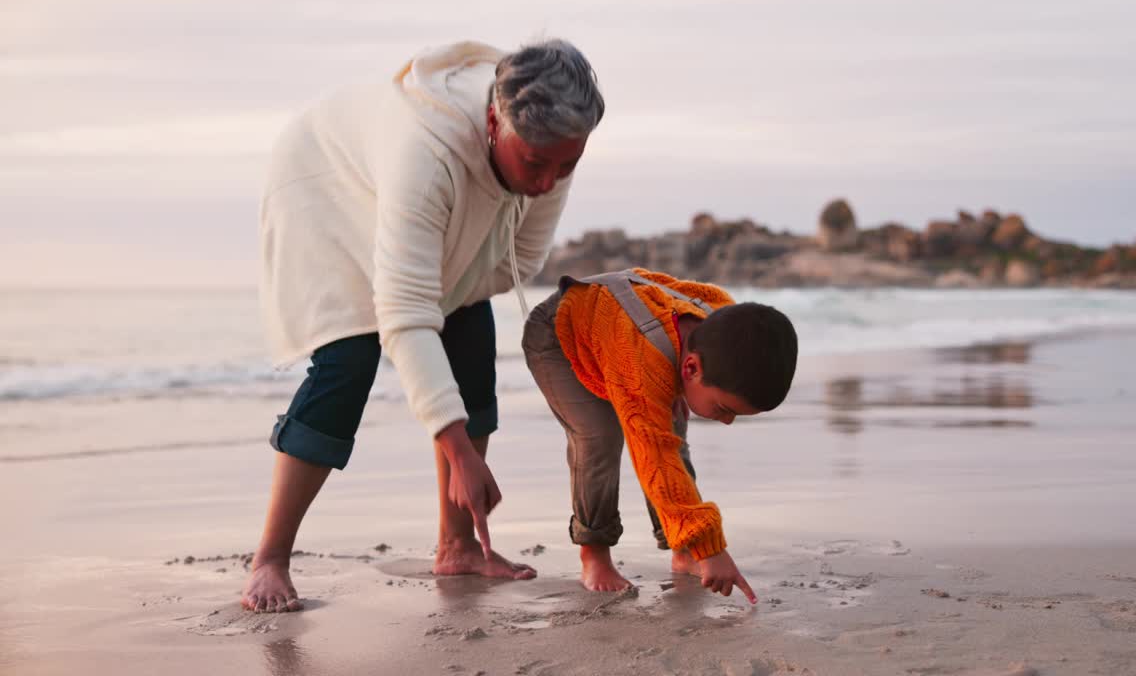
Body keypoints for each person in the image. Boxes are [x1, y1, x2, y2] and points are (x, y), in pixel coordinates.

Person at [241, 39, 605, 613]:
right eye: (535, 165)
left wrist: (443, 309)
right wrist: (458, 450)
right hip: (323, 183)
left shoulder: (550, 145)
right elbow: (405, 314)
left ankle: (457, 545)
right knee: (348, 362)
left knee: (469, 332)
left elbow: (522, 261)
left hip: (410, 195)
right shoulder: (426, 151)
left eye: (567, 166)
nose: (546, 184)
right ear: (494, 120)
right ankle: (270, 558)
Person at [521, 268, 798, 602]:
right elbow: (655, 456)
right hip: (558, 338)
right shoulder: (643, 363)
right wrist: (710, 548)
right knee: (600, 437)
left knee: (672, 430)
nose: (726, 423)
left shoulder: (724, 322)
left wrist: (678, 390)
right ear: (691, 368)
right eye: (725, 409)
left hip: (623, 338)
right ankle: (594, 554)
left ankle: (682, 550)